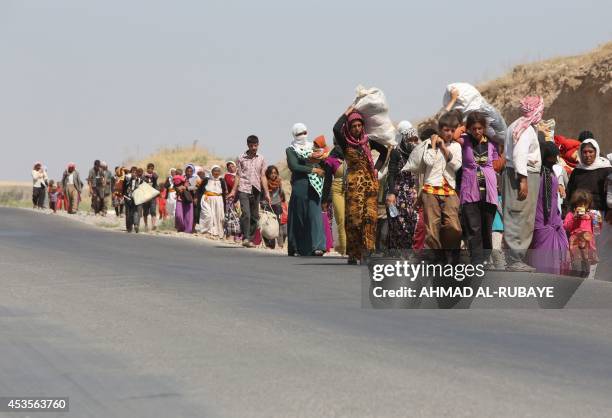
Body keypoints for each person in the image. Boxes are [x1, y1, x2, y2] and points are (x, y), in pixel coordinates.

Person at [333, 107, 389, 264]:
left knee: (369, 219)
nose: (357, 129)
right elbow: (336, 128)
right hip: (353, 186)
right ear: (349, 128)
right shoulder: (345, 143)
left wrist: (376, 170)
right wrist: (347, 112)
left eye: (359, 125)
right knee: (354, 220)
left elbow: (384, 151)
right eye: (353, 126)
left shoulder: (368, 141)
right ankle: (353, 253)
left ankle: (367, 253)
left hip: (370, 185)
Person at [502, 96, 543, 272]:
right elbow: (520, 154)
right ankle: (515, 259)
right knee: (520, 216)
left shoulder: (518, 125)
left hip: (519, 174)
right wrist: (523, 180)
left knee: (518, 216)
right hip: (521, 175)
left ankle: (515, 258)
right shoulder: (525, 129)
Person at [565, 138, 611, 279]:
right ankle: (585, 278)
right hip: (580, 218)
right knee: (582, 248)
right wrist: (570, 213)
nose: (587, 155)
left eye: (591, 151)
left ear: (596, 152)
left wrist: (610, 210)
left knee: (598, 247)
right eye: (584, 152)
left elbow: (609, 193)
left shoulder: (605, 170)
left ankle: (600, 278)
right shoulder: (577, 172)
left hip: (599, 216)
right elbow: (570, 193)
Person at [420, 113, 463, 263]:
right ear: (439, 130)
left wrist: (444, 148)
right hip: (431, 189)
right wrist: (433, 145)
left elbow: (457, 165)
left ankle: (450, 254)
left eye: (452, 130)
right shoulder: (429, 144)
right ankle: (436, 258)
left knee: (453, 226)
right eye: (446, 130)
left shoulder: (456, 146)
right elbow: (428, 161)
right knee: (432, 227)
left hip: (449, 190)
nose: (449, 133)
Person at [459, 112, 500, 265]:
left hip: (489, 193)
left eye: (480, 128)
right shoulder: (465, 141)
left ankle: (486, 259)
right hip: (470, 191)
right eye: (474, 128)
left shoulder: (491, 144)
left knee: (486, 229)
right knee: (473, 228)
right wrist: (464, 127)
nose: (477, 131)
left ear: (484, 128)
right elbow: (454, 136)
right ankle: (476, 261)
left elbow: (497, 162)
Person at [527, 142, 569, 274]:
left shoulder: (549, 173)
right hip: (543, 223)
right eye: (553, 157)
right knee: (544, 262)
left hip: (553, 222)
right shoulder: (537, 174)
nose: (556, 160)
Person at [285, 123, 326, 256]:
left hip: (315, 185)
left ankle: (317, 247)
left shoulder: (313, 147)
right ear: (294, 135)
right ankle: (296, 247)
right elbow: (294, 166)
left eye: (304, 132)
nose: (302, 136)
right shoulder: (291, 149)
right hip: (300, 184)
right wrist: (312, 169)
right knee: (299, 215)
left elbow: (323, 160)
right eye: (299, 134)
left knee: (315, 215)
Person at [227, 135, 271, 247]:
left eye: (255, 145)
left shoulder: (261, 158)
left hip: (256, 189)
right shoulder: (241, 158)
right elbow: (238, 175)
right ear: (248, 145)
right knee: (246, 213)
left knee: (255, 216)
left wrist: (266, 193)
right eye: (251, 145)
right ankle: (245, 238)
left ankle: (250, 238)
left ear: (258, 144)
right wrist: (233, 191)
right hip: (243, 188)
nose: (253, 148)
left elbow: (263, 176)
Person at [385, 121, 419, 256]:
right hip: (397, 194)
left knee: (411, 223)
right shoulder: (396, 152)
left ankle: (407, 253)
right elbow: (391, 173)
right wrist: (392, 194)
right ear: (404, 138)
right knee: (396, 223)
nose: (413, 142)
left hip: (411, 194)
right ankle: (395, 253)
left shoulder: (415, 153)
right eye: (410, 139)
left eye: (415, 139)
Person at [564, 190, 599, 277]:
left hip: (587, 244)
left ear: (589, 205)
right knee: (576, 265)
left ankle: (585, 281)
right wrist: (574, 218)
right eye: (580, 204)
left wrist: (596, 219)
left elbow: (597, 229)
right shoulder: (571, 215)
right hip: (575, 244)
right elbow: (566, 227)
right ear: (575, 204)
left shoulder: (591, 215)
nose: (582, 207)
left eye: (585, 204)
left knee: (587, 265)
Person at [322, 141, 347, 255]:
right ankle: (345, 248)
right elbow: (327, 182)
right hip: (337, 191)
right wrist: (324, 200)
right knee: (341, 220)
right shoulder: (330, 160)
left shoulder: (351, 156)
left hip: (352, 191)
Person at [197, 165, 227, 239]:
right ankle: (207, 230)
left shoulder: (221, 180)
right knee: (208, 215)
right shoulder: (207, 180)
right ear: (212, 171)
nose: (216, 173)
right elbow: (200, 190)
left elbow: (224, 192)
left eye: (218, 171)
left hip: (218, 200)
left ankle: (217, 232)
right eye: (215, 171)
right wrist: (197, 199)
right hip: (207, 199)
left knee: (218, 216)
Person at [263, 165, 283, 249]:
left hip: (277, 205)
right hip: (266, 205)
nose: (273, 175)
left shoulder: (279, 182)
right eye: (271, 173)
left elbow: (281, 194)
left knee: (277, 225)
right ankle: (269, 244)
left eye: (275, 173)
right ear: (268, 174)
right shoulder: (264, 182)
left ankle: (280, 244)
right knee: (267, 224)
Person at [175, 165, 195, 233]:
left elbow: (194, 187)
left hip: (189, 198)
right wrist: (178, 188)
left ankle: (187, 230)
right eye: (188, 171)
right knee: (178, 215)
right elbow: (175, 185)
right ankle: (180, 228)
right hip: (180, 198)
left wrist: (185, 187)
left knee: (188, 216)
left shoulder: (194, 178)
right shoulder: (181, 177)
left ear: (193, 172)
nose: (189, 172)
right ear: (185, 171)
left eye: (191, 171)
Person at [123, 167, 144, 233]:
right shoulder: (127, 179)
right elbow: (124, 188)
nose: (134, 174)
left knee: (136, 212)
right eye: (132, 172)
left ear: (137, 173)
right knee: (128, 213)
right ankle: (129, 227)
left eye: (135, 173)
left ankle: (136, 225)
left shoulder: (140, 180)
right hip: (128, 199)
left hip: (137, 199)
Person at [141, 163, 159, 231]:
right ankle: (146, 225)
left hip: (152, 196)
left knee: (153, 211)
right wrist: (146, 175)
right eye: (149, 168)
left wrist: (151, 174)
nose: (150, 170)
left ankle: (153, 225)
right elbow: (141, 179)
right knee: (145, 212)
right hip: (145, 197)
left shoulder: (154, 175)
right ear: (147, 168)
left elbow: (156, 177)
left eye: (152, 168)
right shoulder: (143, 176)